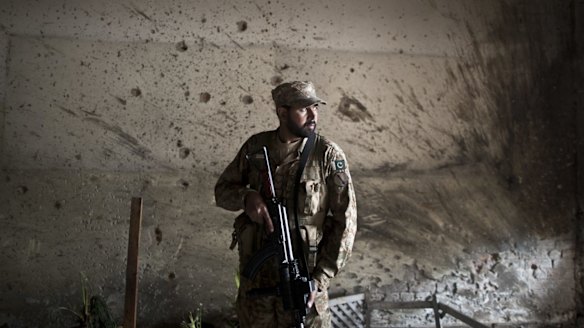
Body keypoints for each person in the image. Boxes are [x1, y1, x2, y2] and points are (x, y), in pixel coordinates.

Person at [215, 81, 357, 328]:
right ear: (282, 112)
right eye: (304, 109)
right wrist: (246, 197)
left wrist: (319, 279)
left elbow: (347, 223)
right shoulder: (255, 148)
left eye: (315, 107)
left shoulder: (327, 155)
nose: (313, 115)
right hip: (257, 294)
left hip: (304, 288)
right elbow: (222, 192)